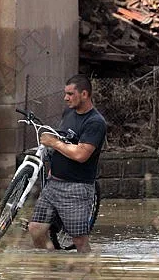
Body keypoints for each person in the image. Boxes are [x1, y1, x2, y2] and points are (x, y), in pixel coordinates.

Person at [28, 74, 106, 253]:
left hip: (76, 187)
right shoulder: (69, 113)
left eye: (70, 94)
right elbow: (63, 141)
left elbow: (81, 154)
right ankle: (52, 264)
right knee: (36, 228)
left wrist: (53, 143)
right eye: (66, 93)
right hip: (53, 183)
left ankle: (87, 268)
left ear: (84, 94)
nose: (66, 98)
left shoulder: (95, 122)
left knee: (79, 239)